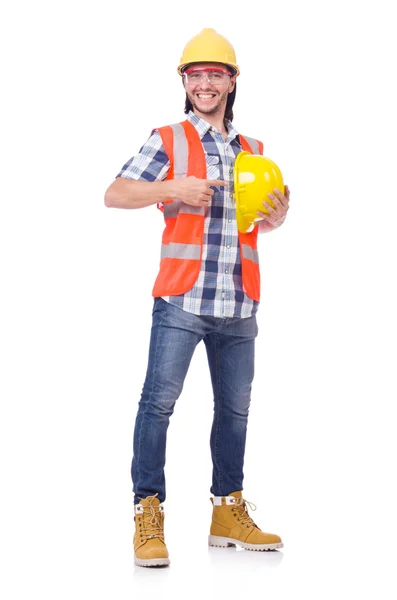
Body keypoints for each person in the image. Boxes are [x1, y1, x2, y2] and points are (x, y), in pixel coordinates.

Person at [104, 28, 290, 568]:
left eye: (215, 75)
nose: (205, 84)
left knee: (235, 412)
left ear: (232, 82)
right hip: (182, 299)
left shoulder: (253, 149)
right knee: (158, 405)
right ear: (185, 83)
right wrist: (171, 188)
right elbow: (115, 194)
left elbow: (256, 220)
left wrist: (277, 218)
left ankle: (227, 512)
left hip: (239, 302)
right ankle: (147, 511)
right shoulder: (168, 139)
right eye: (195, 75)